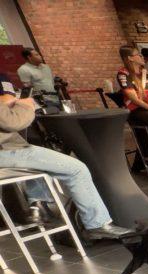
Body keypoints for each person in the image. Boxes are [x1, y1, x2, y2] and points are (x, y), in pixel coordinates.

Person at [0, 80, 128, 239]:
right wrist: (25, 104)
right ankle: (98, 224)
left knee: (42, 163)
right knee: (77, 169)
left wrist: (5, 104)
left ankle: (37, 206)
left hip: (7, 154)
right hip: (6, 152)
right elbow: (13, 122)